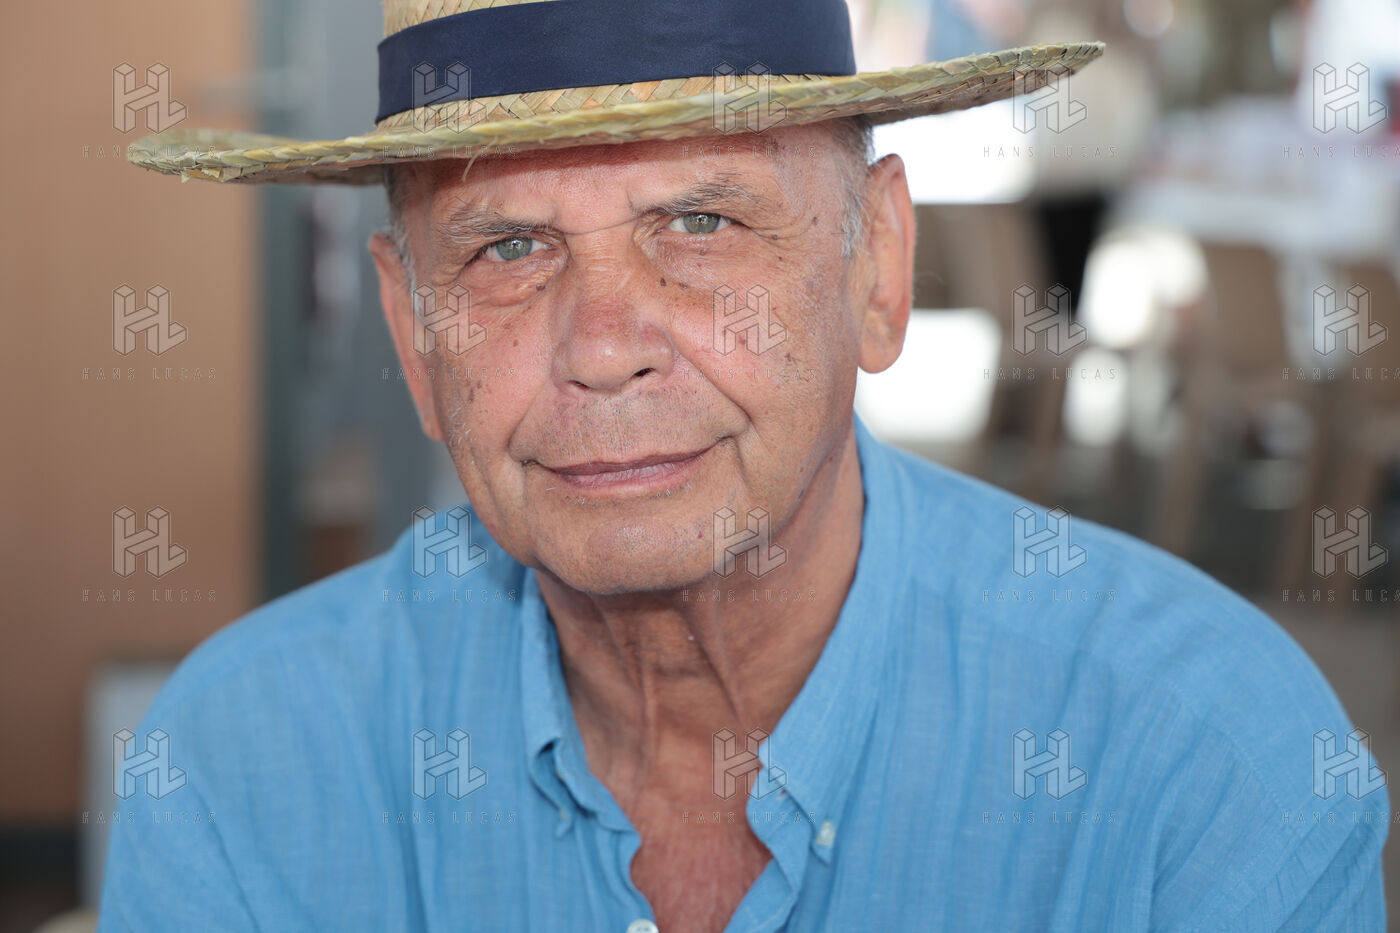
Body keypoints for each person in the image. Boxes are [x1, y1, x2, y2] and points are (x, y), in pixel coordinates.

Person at [106, 1, 1385, 930]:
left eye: (700, 222)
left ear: (876, 269)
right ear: (412, 335)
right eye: (507, 248)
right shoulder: (243, 767)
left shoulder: (1200, 768)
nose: (603, 348)